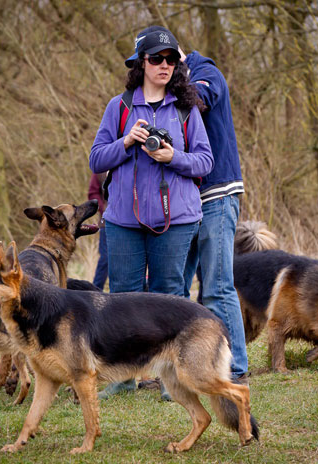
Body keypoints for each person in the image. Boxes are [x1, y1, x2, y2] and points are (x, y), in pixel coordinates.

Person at [89, 26, 213, 399]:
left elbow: (205, 161)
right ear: (141, 62)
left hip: (177, 220)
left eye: (171, 60)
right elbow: (96, 158)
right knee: (122, 297)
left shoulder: (188, 109)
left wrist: (171, 156)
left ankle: (169, 379)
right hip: (124, 220)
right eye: (156, 58)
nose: (164, 65)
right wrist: (126, 141)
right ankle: (122, 376)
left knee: (169, 296)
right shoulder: (120, 106)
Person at [180, 47, 249, 384]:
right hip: (185, 202)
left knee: (217, 286)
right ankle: (182, 366)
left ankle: (235, 368)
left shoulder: (204, 71)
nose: (161, 66)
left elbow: (199, 97)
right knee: (176, 286)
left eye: (167, 58)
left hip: (217, 194)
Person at [88, 172, 108, 290]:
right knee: (105, 259)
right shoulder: (101, 168)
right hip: (106, 223)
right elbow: (93, 193)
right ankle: (95, 291)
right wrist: (104, 209)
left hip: (134, 224)